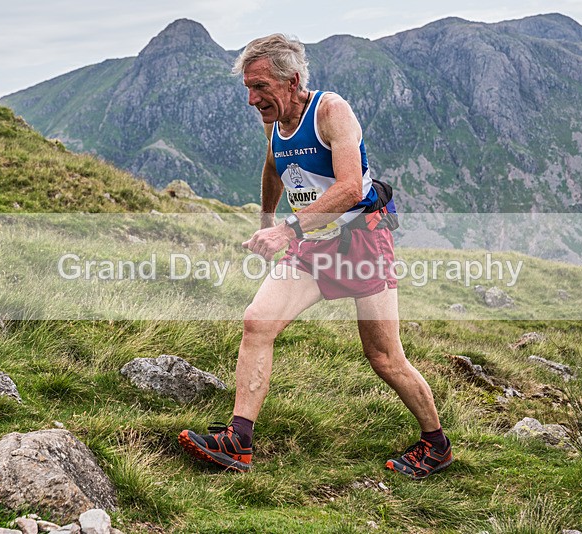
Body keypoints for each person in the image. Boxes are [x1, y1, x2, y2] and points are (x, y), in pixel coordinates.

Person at [178, 34, 451, 480]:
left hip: (362, 240)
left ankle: (436, 445)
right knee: (257, 321)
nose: (252, 99)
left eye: (260, 86)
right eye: (247, 88)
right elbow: (273, 166)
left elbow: (349, 189)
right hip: (312, 243)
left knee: (384, 357)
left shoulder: (331, 111)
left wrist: (287, 229)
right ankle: (238, 441)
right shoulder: (275, 120)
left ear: (293, 80)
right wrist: (267, 223)